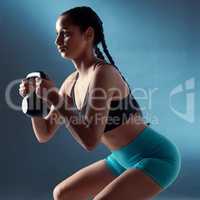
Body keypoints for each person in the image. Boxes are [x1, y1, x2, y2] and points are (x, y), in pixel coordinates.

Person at [19, 6, 181, 200]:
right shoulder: (70, 83)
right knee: (62, 194)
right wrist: (33, 101)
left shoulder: (103, 73)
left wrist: (55, 98)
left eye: (66, 34)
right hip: (120, 160)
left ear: (88, 34)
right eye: (57, 35)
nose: (58, 41)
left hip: (156, 158)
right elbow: (44, 134)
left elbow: (90, 141)